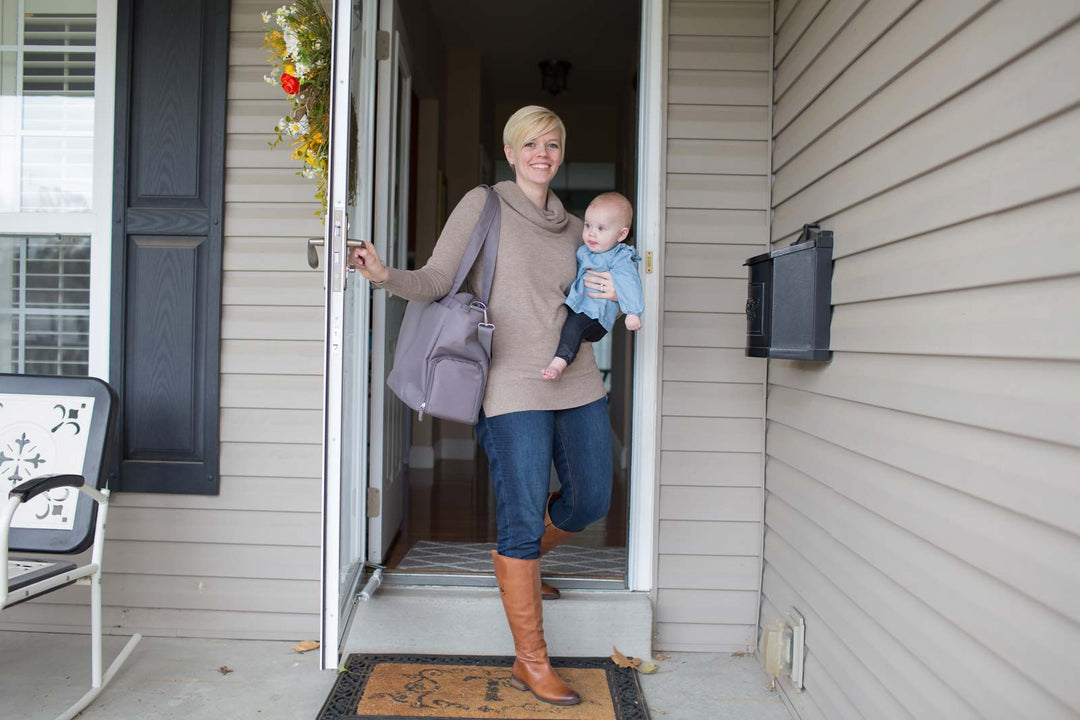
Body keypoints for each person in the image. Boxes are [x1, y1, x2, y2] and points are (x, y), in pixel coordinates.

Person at [348, 105, 618, 707]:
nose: (541, 154)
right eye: (530, 144)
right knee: (521, 512)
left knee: (591, 497)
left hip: (574, 380)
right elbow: (440, 279)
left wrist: (609, 295)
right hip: (508, 382)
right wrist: (385, 274)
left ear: (561, 152)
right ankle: (530, 660)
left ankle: (523, 566)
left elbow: (588, 316)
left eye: (552, 143)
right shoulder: (485, 204)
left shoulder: (579, 229)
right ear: (511, 150)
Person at [542, 191, 644, 381]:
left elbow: (630, 284)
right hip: (582, 307)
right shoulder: (584, 251)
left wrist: (633, 312)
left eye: (601, 228)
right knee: (568, 323)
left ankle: (559, 363)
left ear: (621, 234)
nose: (591, 233)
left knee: (573, 326)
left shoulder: (620, 257)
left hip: (596, 315)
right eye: (588, 225)